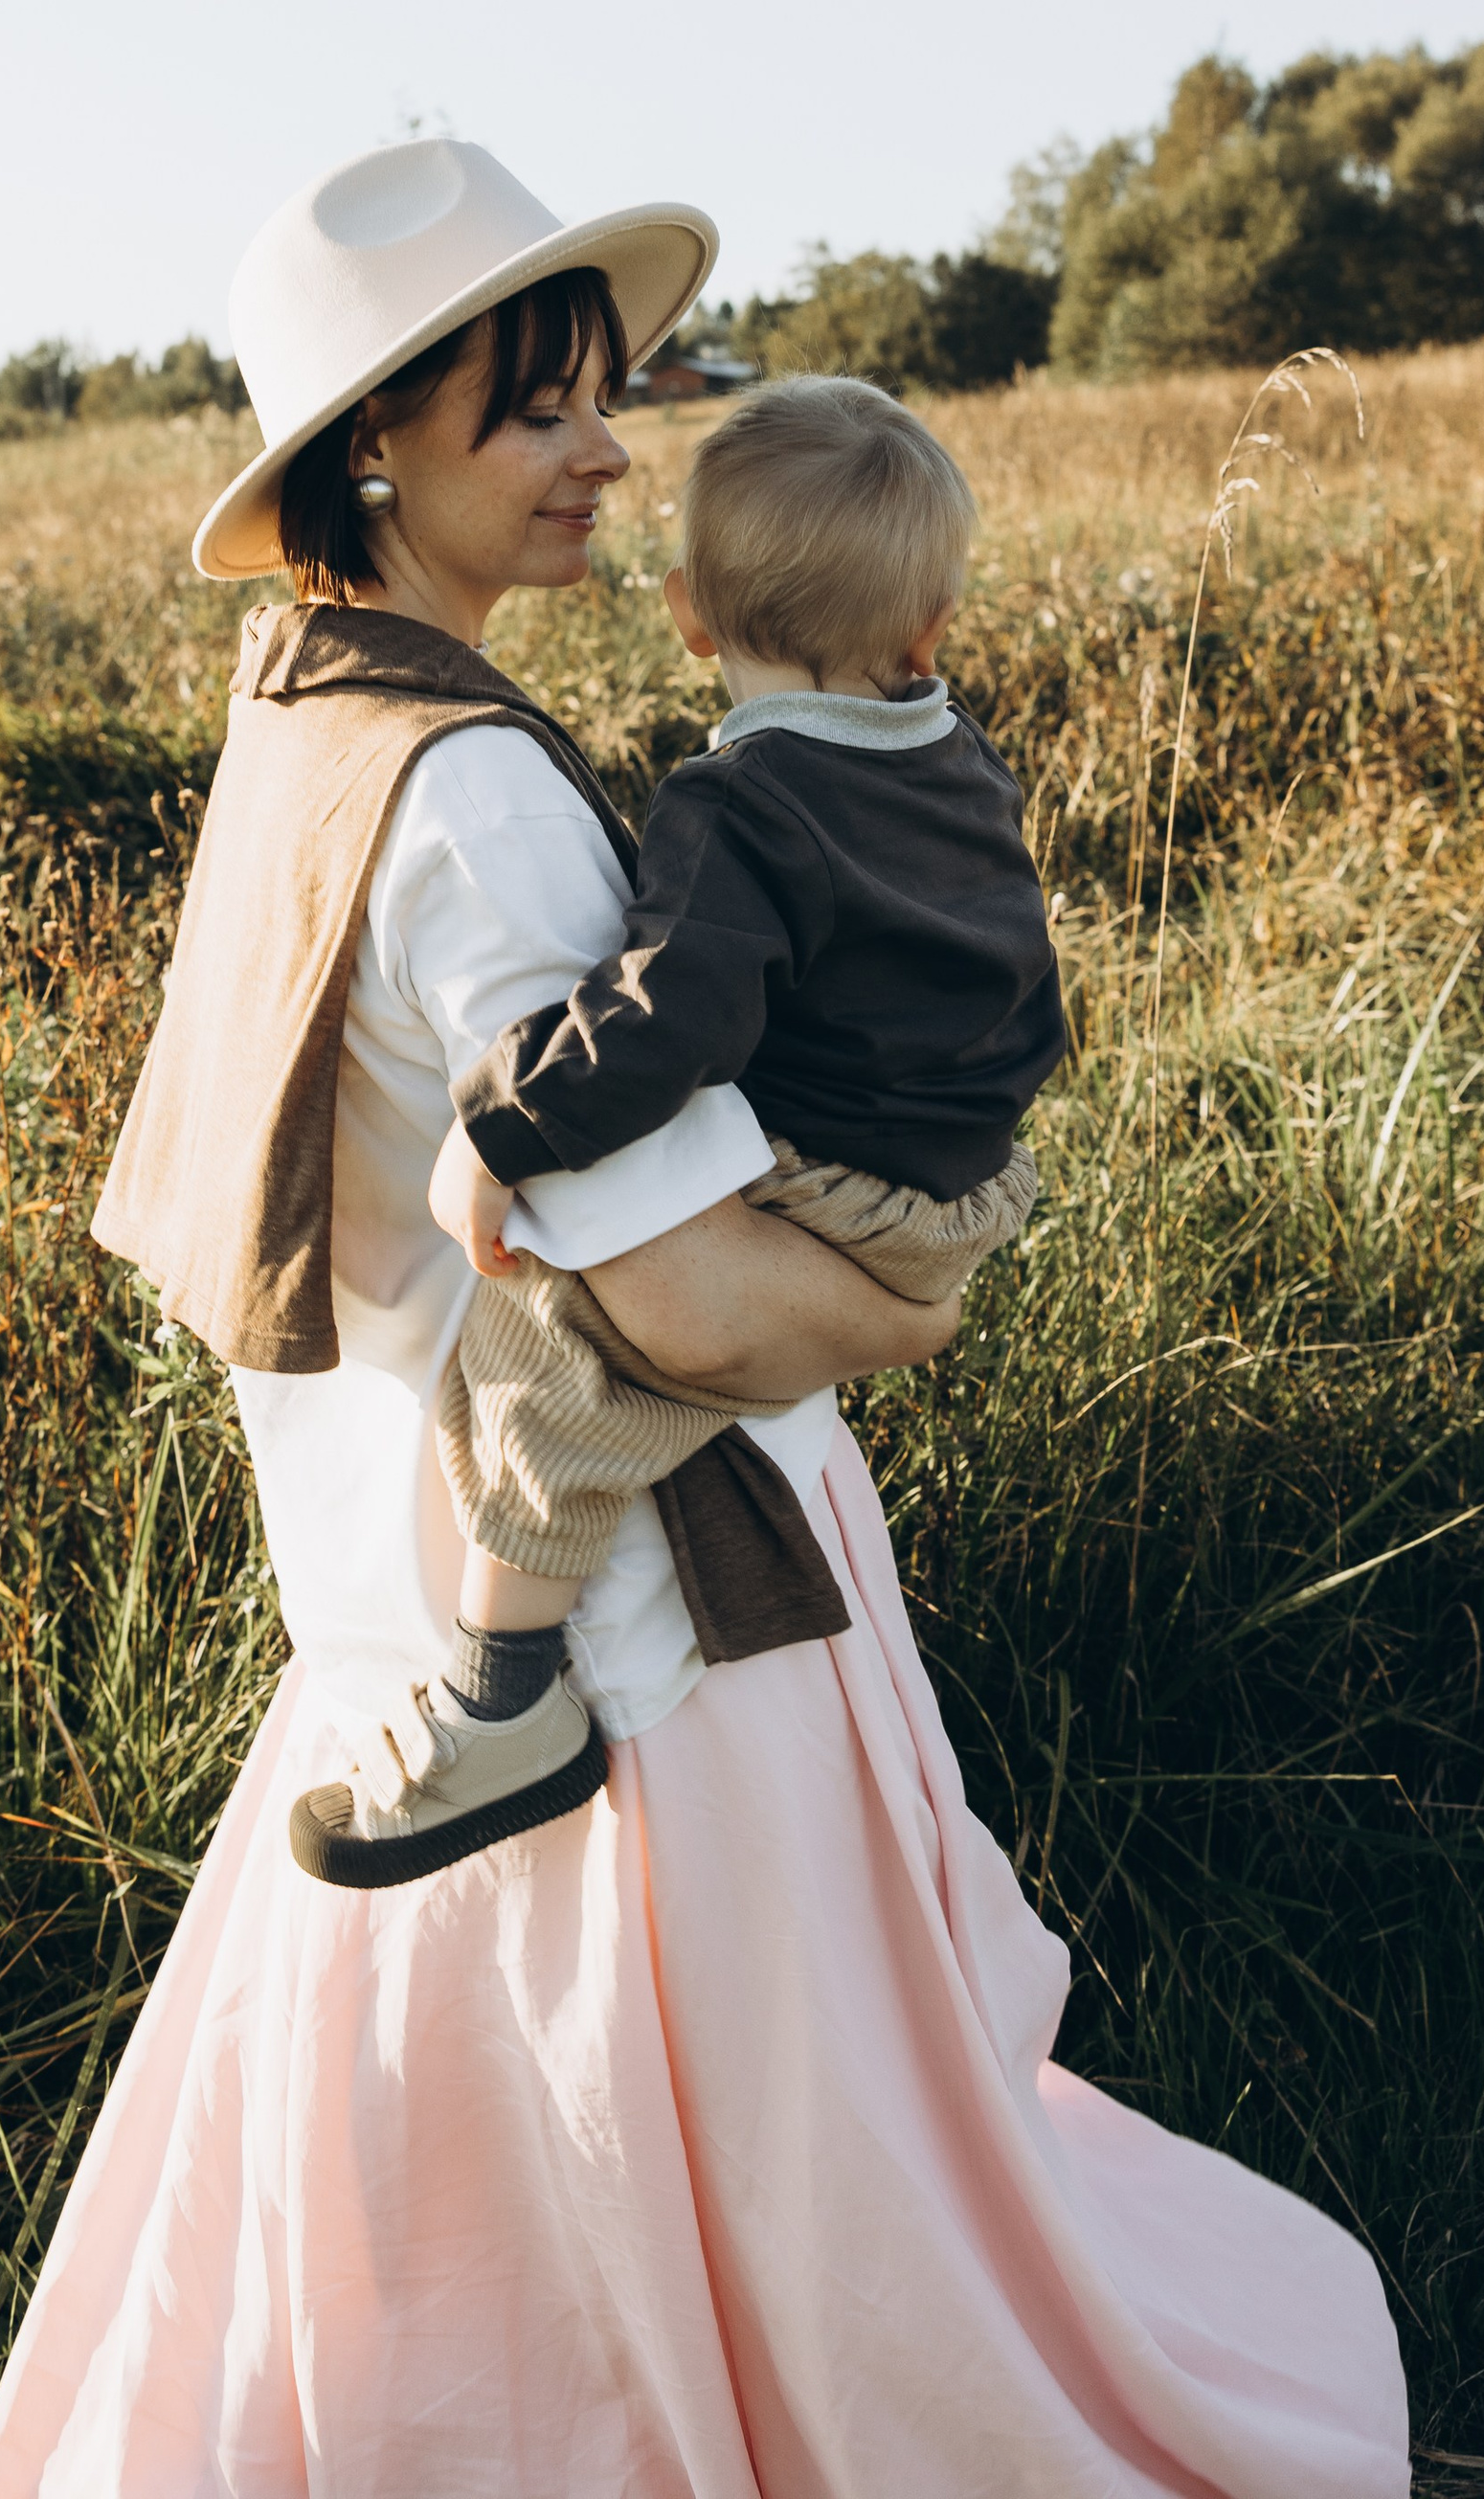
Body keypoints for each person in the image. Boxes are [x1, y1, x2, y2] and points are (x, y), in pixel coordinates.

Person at [0, 135, 1410, 2499]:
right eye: (533, 411)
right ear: (372, 448)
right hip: (645, 1644)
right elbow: (692, 1301)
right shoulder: (484, 807)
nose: (608, 456)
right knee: (776, 2195)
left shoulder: (296, 723)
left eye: (598, 397)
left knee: (454, 2218)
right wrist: (915, 1310)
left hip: (396, 1612)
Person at [294, 371, 1068, 1890]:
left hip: (838, 1196)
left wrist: (503, 1131)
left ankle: (504, 1696)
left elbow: (660, 1019)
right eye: (538, 407)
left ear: (688, 616)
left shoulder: (739, 805)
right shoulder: (958, 753)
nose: (599, 443)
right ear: (928, 633)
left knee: (540, 1356)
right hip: (969, 1182)